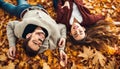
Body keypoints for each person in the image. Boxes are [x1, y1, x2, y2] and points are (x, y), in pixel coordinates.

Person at [0, 0, 67, 64]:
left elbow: (10, 25)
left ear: (28, 35)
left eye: (35, 42)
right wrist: (61, 48)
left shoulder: (20, 31)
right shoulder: (54, 35)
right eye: (39, 44)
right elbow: (62, 27)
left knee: (5, 5)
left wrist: (12, 45)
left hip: (24, 9)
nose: (40, 41)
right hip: (41, 8)